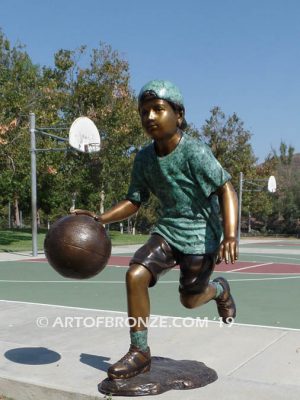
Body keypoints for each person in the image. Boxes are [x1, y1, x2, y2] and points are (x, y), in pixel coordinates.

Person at [73, 80, 238, 380]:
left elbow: (226, 189)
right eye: (144, 111)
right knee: (135, 274)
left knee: (189, 299)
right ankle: (140, 351)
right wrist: (99, 219)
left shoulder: (195, 152)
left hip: (202, 235)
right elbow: (134, 200)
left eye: (158, 109)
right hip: (168, 230)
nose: (150, 117)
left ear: (179, 114)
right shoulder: (144, 158)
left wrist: (229, 234)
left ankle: (219, 290)